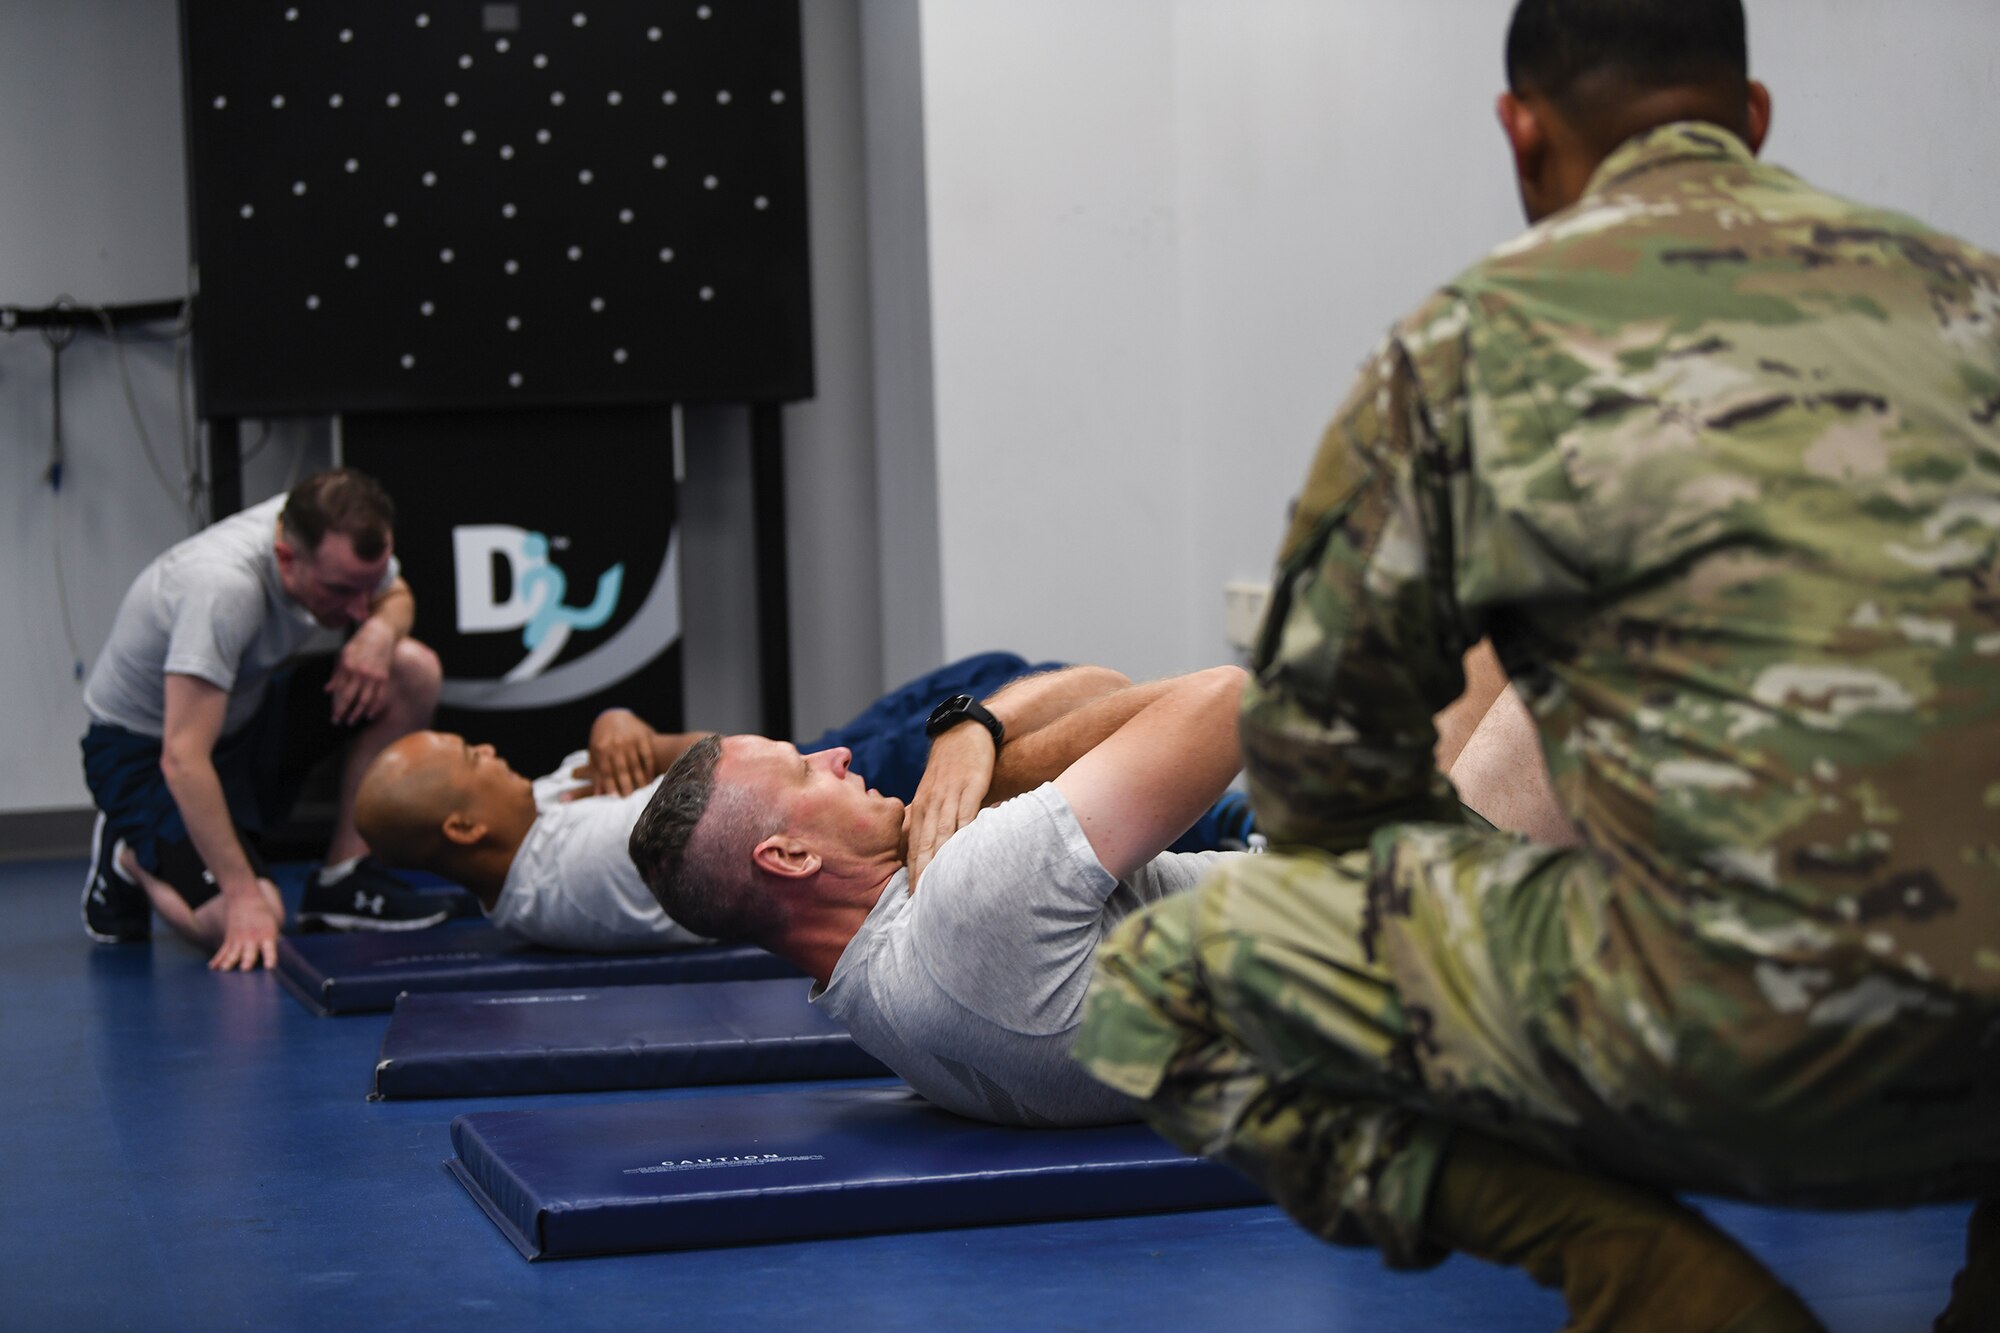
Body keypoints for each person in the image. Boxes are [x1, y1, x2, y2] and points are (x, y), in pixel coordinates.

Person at [1070, 2, 2000, 1330]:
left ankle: (1655, 1279)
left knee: (1162, 979)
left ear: (1522, 135)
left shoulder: (1469, 346)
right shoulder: (1978, 295)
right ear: (1754, 117)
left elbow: (1319, 781)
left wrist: (1535, 888)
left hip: (1729, 1046)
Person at [630, 663, 1253, 1126]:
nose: (837, 756)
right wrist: (971, 729)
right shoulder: (965, 903)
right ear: (791, 857)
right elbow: (1231, 699)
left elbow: (1099, 687)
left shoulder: (873, 1003)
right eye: (803, 769)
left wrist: (969, 729)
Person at [354, 653, 1262, 954]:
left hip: (799, 775)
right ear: (463, 827)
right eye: (469, 757)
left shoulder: (539, 812)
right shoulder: (581, 861)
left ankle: (1210, 809)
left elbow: (725, 773)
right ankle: (1225, 818)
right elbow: (729, 798)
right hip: (840, 807)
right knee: (1035, 691)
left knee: (1002, 676)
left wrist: (618, 717)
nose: (485, 745)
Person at [80, 468, 447, 972]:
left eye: (367, 587)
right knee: (256, 919)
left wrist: (381, 633)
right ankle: (128, 854)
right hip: (147, 753)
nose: (360, 608)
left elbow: (395, 595)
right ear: (285, 558)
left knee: (411, 669)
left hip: (240, 722)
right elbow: (183, 759)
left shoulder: (324, 526)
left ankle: (344, 876)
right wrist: (243, 895)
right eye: (341, 591)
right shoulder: (221, 590)